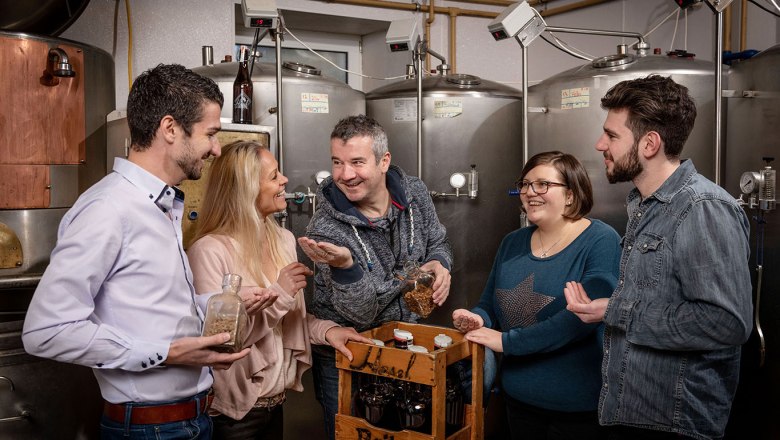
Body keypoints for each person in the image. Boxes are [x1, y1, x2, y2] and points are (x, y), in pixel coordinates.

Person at [21, 64, 250, 439]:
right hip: (150, 430)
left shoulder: (161, 204)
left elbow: (146, 305)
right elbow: (46, 331)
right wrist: (168, 353)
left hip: (192, 419)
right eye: (210, 134)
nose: (216, 149)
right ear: (171, 128)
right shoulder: (109, 208)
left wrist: (218, 303)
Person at [564, 75, 753, 440]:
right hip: (634, 412)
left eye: (612, 135)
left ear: (650, 143)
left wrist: (616, 311)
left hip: (675, 424)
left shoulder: (702, 208)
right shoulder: (645, 205)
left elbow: (725, 322)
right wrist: (609, 308)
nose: (599, 144)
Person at [186, 140, 372, 440]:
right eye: (274, 176)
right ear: (245, 189)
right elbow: (218, 344)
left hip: (276, 404)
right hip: (234, 417)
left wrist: (327, 331)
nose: (284, 180)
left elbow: (288, 320)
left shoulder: (283, 239)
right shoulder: (209, 250)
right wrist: (281, 294)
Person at [297, 114, 453, 439]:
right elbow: (362, 313)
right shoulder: (326, 229)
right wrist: (346, 268)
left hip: (405, 345)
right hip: (350, 357)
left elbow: (437, 240)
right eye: (337, 162)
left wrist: (440, 262)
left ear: (384, 161)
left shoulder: (414, 193)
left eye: (356, 162)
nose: (345, 174)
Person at [451, 151, 621, 440]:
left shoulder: (601, 240)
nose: (529, 192)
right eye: (525, 184)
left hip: (577, 409)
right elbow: (490, 304)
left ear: (570, 194)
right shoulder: (512, 242)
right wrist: (476, 319)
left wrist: (505, 341)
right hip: (516, 400)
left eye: (542, 184)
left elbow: (579, 320)